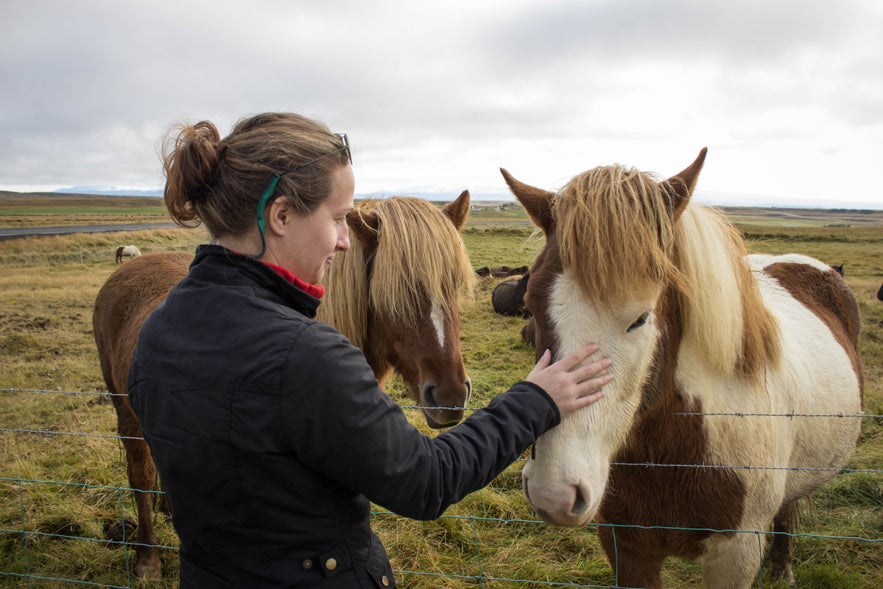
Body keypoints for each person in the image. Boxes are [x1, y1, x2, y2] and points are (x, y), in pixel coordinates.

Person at [127, 112, 613, 588]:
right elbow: (427, 481)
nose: (344, 241)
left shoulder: (159, 331)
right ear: (281, 215)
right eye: (338, 218)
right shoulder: (304, 354)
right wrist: (535, 400)